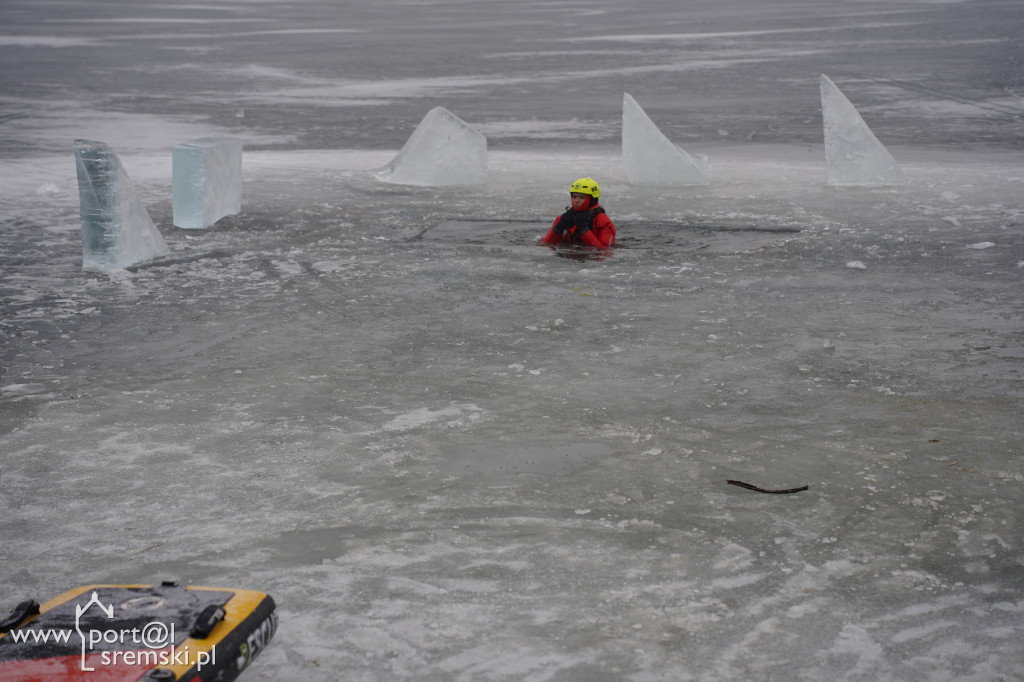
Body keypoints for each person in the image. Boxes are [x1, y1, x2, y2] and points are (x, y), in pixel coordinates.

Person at [539, 177, 616, 249]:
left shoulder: (603, 221)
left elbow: (605, 251)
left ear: (593, 199)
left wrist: (584, 230)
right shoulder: (563, 218)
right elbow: (545, 244)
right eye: (574, 197)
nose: (576, 200)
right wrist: (558, 228)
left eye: (582, 197)